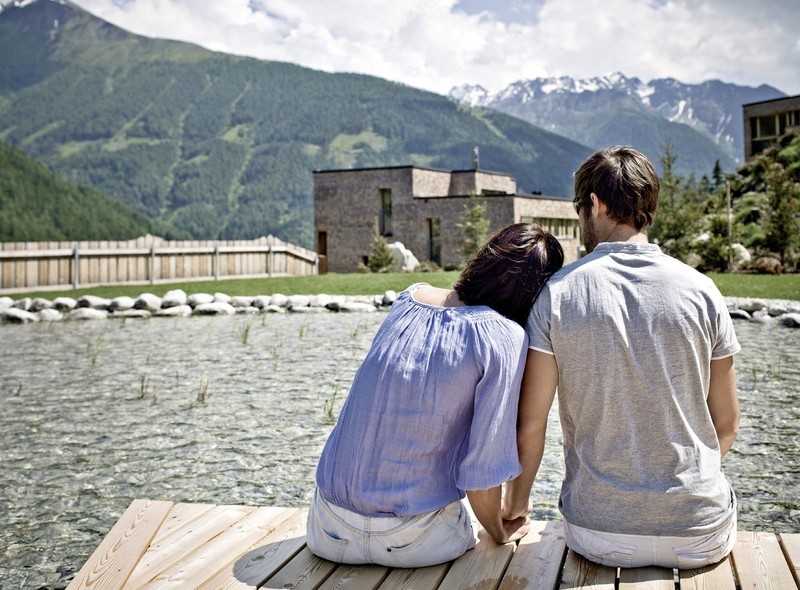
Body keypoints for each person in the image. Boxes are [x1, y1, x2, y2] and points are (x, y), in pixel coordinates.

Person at [503, 146, 741, 569]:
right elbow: (726, 424)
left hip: (599, 533)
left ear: (594, 204)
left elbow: (531, 425)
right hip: (699, 533)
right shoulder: (703, 291)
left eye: (580, 207)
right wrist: (678, 489)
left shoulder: (558, 294)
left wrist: (514, 509)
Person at [307, 223, 564, 567]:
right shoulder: (503, 336)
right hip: (414, 542)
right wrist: (498, 531)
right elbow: (480, 476)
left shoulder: (408, 299)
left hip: (327, 529)